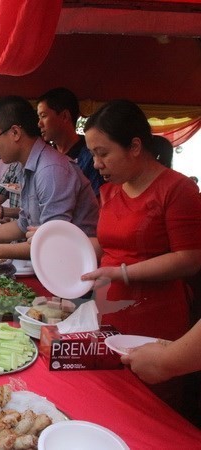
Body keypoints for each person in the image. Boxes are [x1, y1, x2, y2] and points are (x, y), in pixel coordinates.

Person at [80, 99, 201, 341]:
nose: (96, 163)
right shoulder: (110, 192)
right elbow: (109, 245)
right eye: (93, 154)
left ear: (134, 146)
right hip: (108, 311)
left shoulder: (177, 189)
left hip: (154, 318)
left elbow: (189, 259)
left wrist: (123, 273)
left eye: (103, 153)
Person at [0, 96, 98, 274]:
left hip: (74, 273)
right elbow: (23, 225)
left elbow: (51, 242)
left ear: (15, 133)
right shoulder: (26, 166)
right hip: (53, 267)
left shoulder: (51, 170)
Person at [37, 87, 105, 196]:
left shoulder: (91, 158)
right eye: (39, 117)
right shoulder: (45, 156)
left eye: (43, 116)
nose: (39, 124)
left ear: (65, 116)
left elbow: (96, 202)